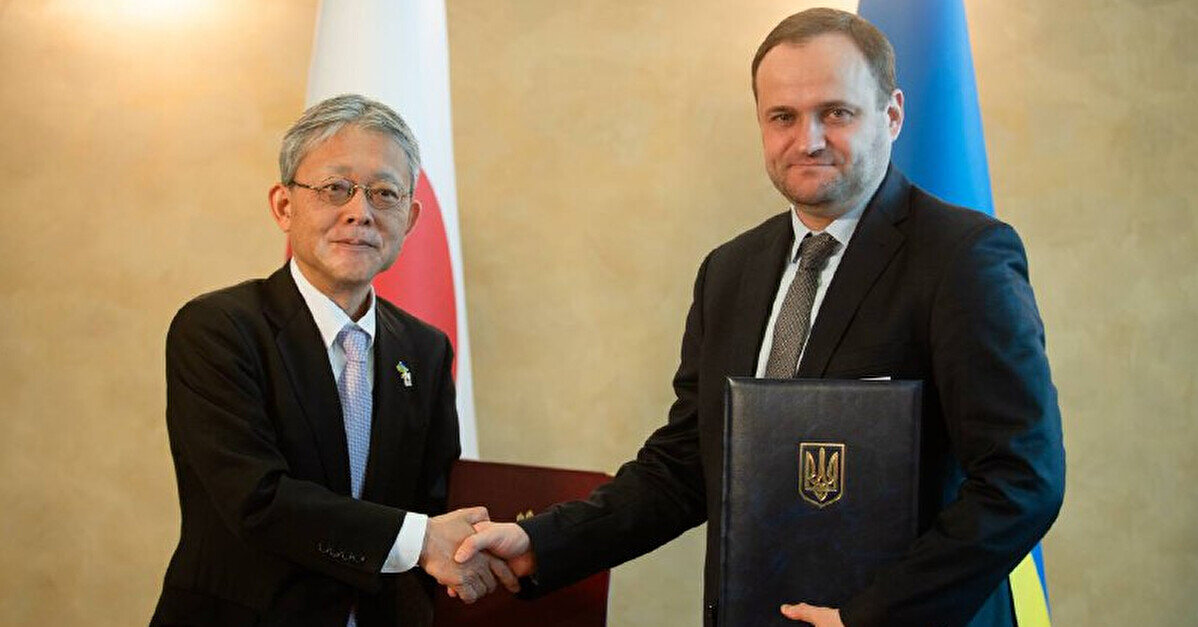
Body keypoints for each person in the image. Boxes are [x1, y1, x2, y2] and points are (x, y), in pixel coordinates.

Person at [455, 8, 1065, 627]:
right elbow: (689, 464)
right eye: (783, 117)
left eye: (836, 112)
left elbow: (1020, 480)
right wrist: (541, 544)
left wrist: (869, 617)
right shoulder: (729, 271)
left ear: (892, 114)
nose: (808, 140)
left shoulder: (963, 257)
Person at [151, 94, 516, 627]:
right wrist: (420, 541)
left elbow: (435, 503)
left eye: (384, 193)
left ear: (411, 218)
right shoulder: (218, 329)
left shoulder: (425, 350)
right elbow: (256, 501)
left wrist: (498, 546)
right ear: (284, 206)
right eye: (335, 188)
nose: (360, 212)